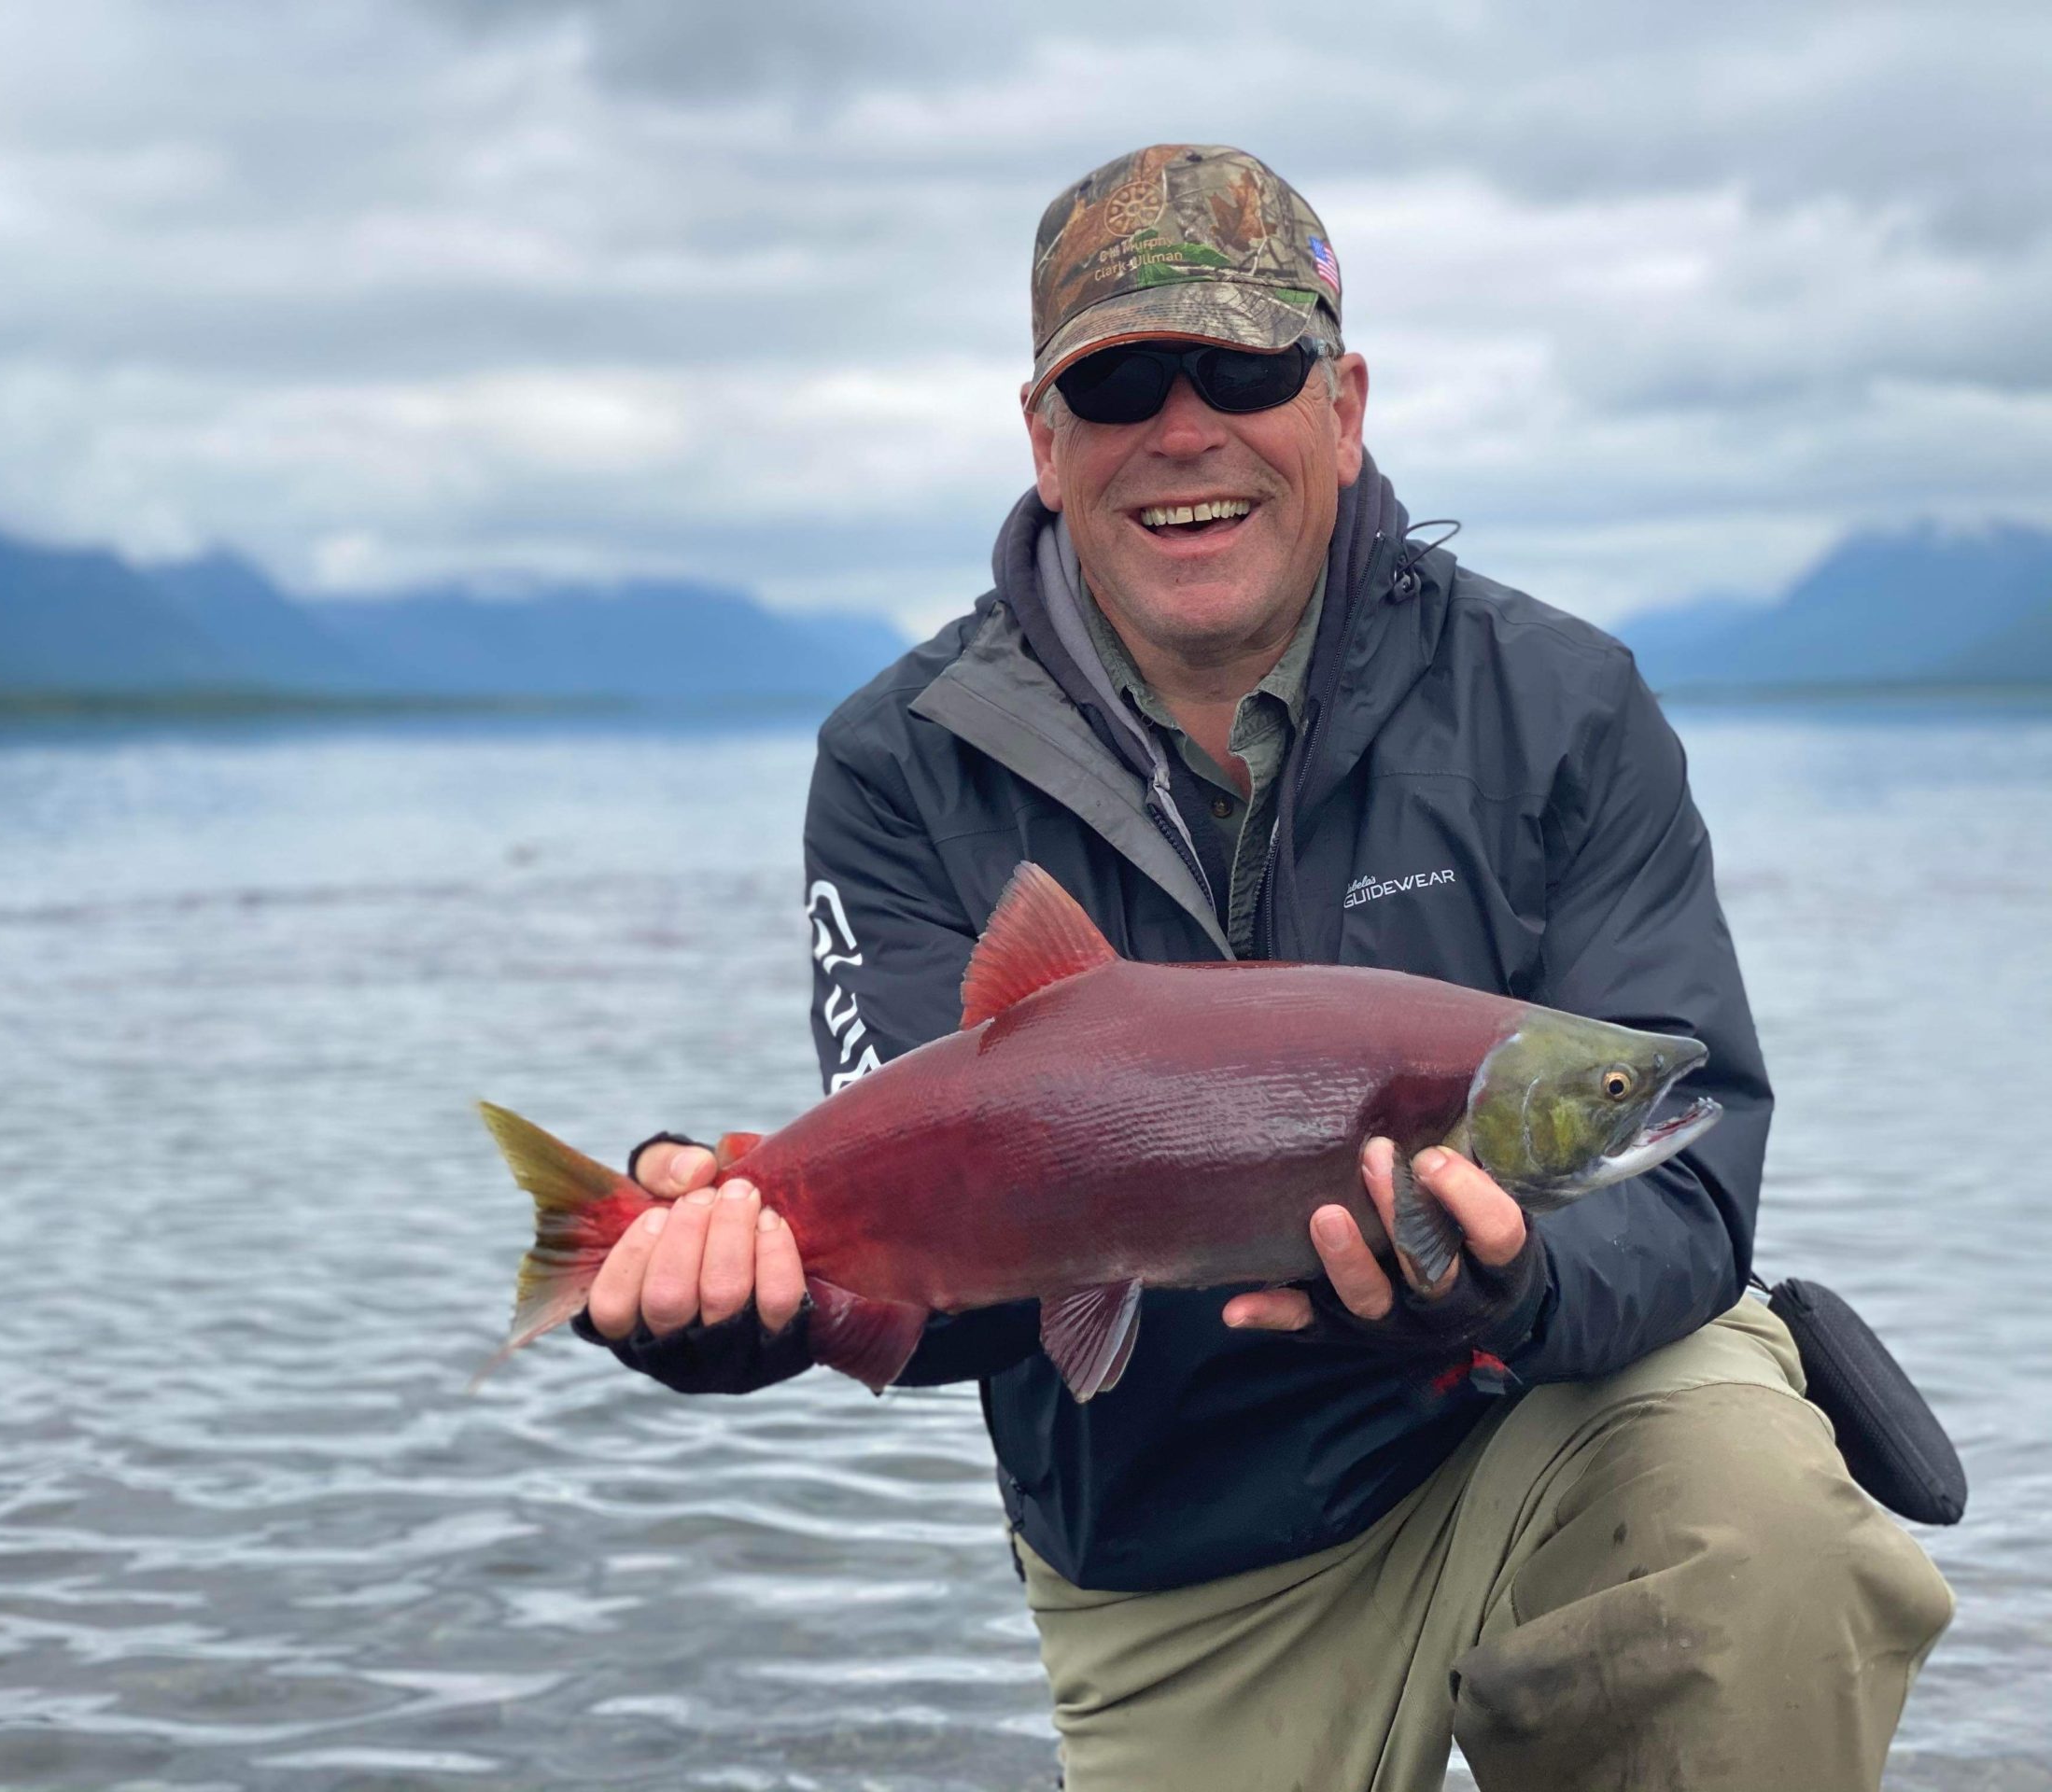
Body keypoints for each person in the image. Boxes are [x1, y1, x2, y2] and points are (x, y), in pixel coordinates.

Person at [571, 144, 1954, 1790]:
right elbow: (936, 1274)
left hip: (1560, 1425)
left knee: (1766, 1533)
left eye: (1242, 367)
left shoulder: (1563, 707)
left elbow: (1691, 1169)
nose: (1181, 429)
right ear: (1041, 436)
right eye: (1117, 383)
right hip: (1178, 1546)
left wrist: (1507, 1293)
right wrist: (749, 1308)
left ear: (1346, 399)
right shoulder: (902, 767)